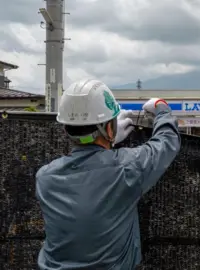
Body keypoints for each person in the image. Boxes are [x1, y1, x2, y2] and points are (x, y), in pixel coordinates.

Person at [35, 79, 181, 270]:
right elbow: (167, 142)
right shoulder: (126, 168)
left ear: (65, 128)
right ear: (109, 127)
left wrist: (107, 141)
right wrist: (161, 108)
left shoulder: (45, 178)